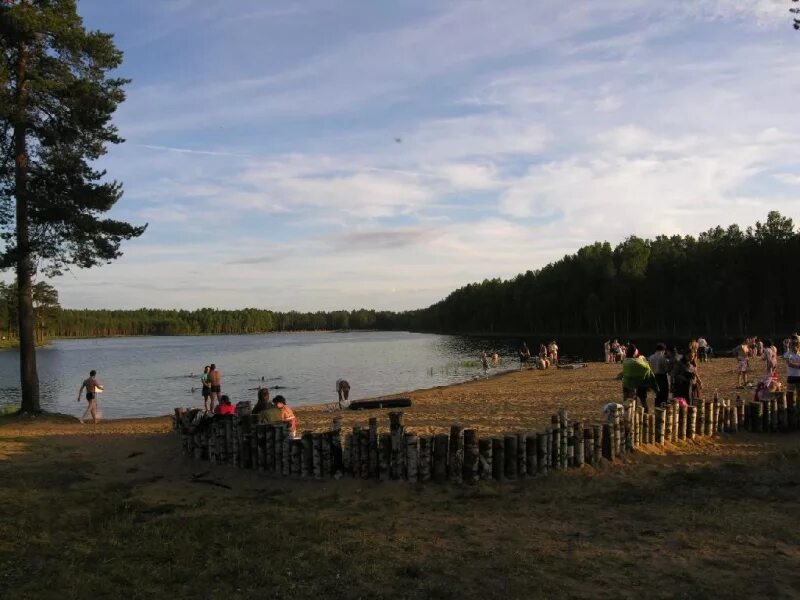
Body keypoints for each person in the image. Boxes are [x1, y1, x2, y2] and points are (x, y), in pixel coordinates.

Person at [621, 344, 658, 412]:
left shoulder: (626, 360)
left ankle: (629, 416)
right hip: (637, 384)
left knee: (628, 402)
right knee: (641, 400)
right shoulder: (635, 361)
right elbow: (646, 368)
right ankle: (644, 414)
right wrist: (643, 360)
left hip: (626, 384)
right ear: (634, 352)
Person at [648, 343, 670, 408]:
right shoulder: (663, 358)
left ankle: (656, 407)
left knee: (657, 393)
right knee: (663, 394)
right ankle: (662, 407)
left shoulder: (651, 357)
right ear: (663, 350)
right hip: (662, 377)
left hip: (653, 376)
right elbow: (666, 369)